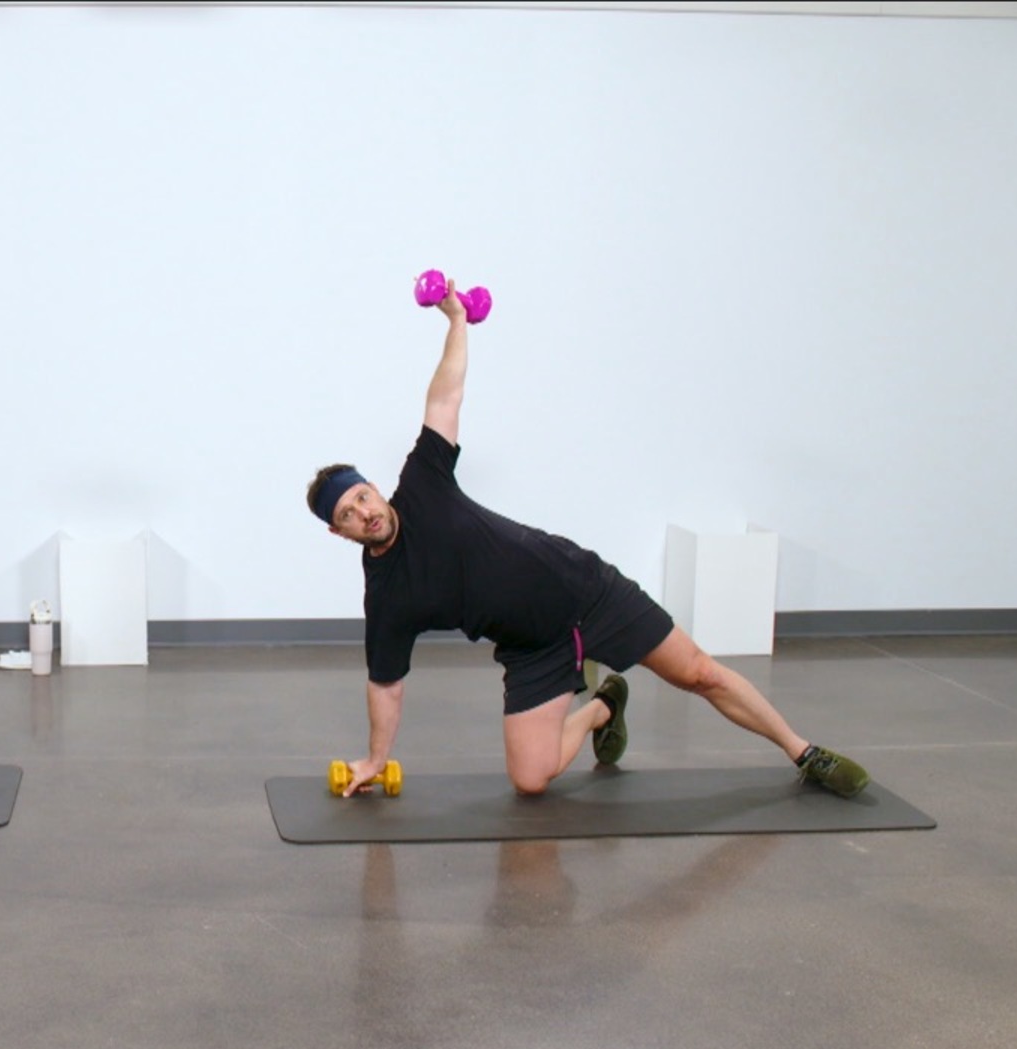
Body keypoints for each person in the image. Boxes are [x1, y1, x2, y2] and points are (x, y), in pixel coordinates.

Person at [306, 276, 870, 800]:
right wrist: (376, 760)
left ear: (374, 489)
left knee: (698, 672)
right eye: (349, 514)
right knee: (530, 779)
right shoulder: (387, 597)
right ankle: (604, 704)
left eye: (362, 497)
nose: (364, 512)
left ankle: (804, 751)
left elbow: (444, 399)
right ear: (340, 532)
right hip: (533, 651)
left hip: (586, 592)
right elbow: (386, 686)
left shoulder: (422, 483)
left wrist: (456, 322)